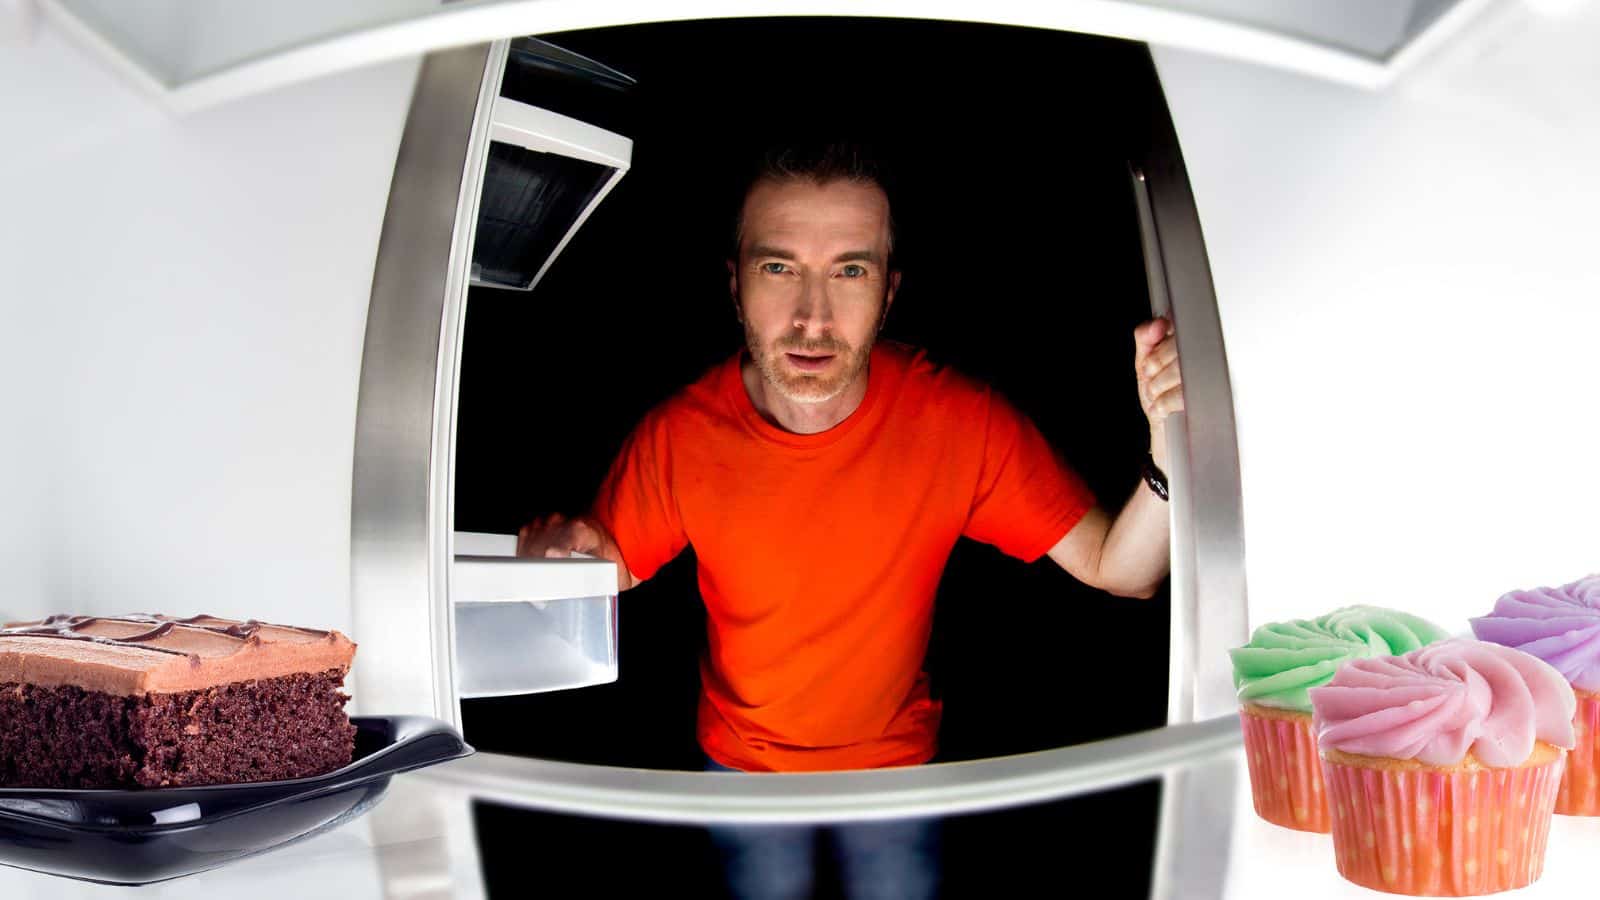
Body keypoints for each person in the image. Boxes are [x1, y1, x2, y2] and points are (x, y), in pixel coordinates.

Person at [517, 141, 1183, 900]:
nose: (812, 316)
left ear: (889, 290)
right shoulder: (681, 434)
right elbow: (609, 567)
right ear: (735, 284)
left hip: (895, 769)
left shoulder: (959, 422)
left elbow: (1123, 572)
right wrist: (553, 570)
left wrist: (1165, 446)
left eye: (850, 271)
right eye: (780, 268)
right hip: (743, 771)